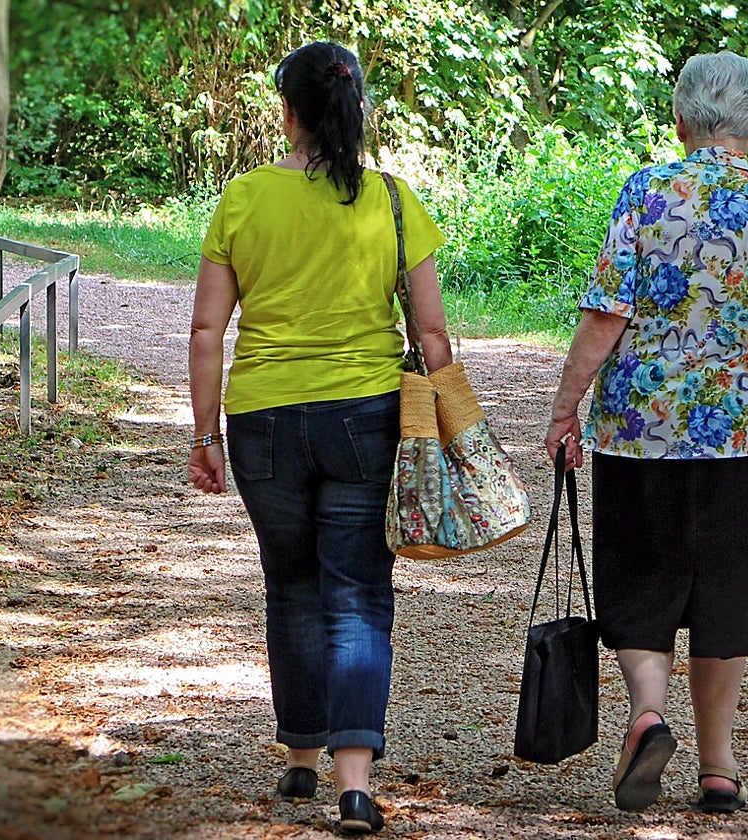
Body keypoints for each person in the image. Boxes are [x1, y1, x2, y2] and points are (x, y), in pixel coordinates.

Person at [543, 51, 748, 815]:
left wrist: (564, 409)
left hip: (641, 430)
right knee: (731, 590)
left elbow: (606, 313)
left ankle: (647, 712)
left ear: (679, 120)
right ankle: (720, 766)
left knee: (640, 578)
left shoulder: (647, 193)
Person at [187, 41, 452, 835]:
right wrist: (448, 425)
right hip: (364, 416)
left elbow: (207, 329)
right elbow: (432, 335)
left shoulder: (244, 199)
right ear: (355, 108)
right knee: (359, 590)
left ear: (288, 112)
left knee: (292, 585)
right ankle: (354, 783)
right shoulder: (395, 202)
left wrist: (204, 434)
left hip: (263, 419)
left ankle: (300, 758)